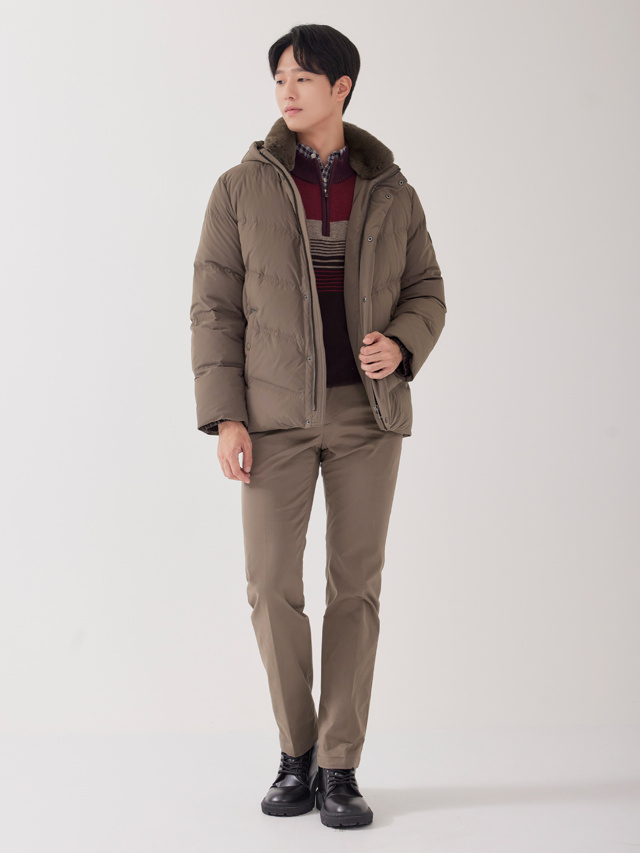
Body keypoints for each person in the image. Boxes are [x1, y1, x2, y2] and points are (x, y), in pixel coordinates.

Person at [190, 23, 446, 829]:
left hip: (368, 415)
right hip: (273, 418)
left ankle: (339, 764)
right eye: (279, 79)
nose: (286, 92)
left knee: (355, 589)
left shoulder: (392, 191)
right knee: (271, 585)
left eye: (302, 78)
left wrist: (402, 342)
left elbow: (428, 288)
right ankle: (294, 752)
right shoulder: (240, 188)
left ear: (342, 87)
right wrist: (227, 416)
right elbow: (214, 308)